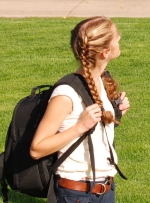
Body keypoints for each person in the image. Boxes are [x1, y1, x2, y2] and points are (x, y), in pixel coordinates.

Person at [30, 16, 130, 203]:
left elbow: (92, 134)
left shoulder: (99, 80)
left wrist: (114, 115)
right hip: (76, 194)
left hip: (105, 189)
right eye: (116, 36)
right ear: (105, 52)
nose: (120, 39)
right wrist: (80, 127)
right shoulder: (66, 94)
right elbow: (37, 148)